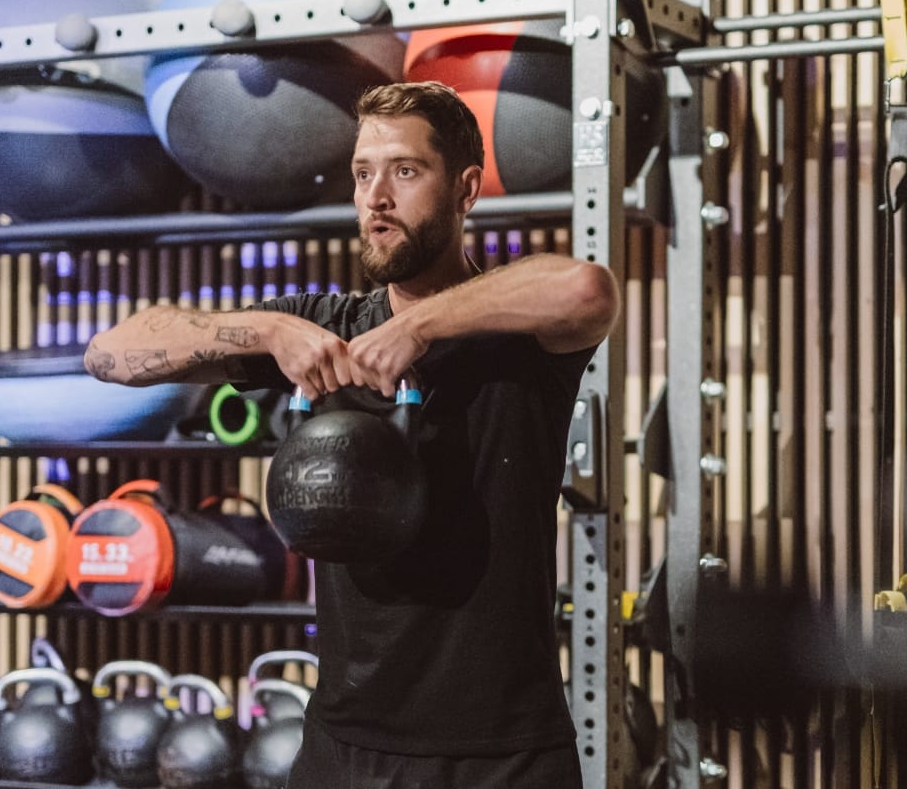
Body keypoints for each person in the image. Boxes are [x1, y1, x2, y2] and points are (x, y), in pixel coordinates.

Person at [85, 80, 619, 788]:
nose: (377, 197)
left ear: (465, 190)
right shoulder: (323, 325)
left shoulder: (519, 341)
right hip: (343, 746)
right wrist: (269, 330)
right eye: (363, 175)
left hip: (502, 755)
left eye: (405, 171)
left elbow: (587, 289)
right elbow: (111, 354)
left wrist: (419, 327)